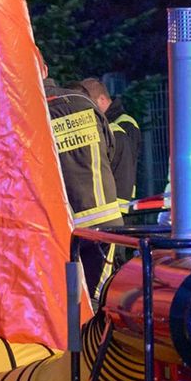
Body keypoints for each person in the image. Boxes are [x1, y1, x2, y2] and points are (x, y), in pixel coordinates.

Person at [46, 79, 120, 302]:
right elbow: (110, 149)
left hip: (66, 225)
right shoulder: (83, 101)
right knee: (100, 295)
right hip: (105, 218)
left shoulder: (33, 109)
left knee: (69, 297)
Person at [81, 77, 140, 216]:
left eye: (89, 103)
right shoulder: (107, 123)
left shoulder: (124, 124)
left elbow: (125, 167)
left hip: (121, 203)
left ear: (102, 100)